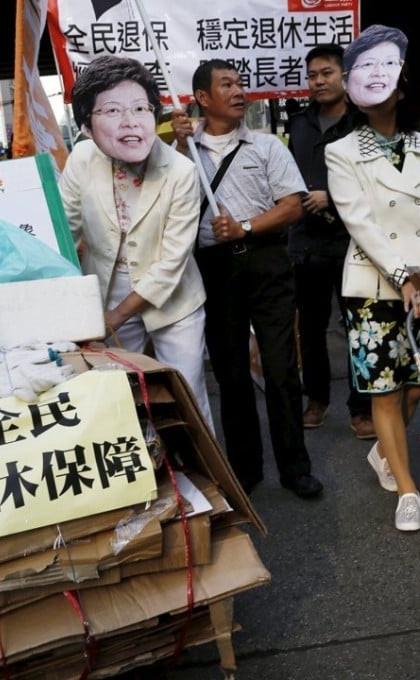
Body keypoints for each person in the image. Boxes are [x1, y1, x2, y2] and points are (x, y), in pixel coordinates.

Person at [325, 24, 420, 532]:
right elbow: (360, 223)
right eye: (364, 70)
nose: (376, 80)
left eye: (386, 70)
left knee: (418, 387)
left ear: (402, 84)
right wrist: (403, 274)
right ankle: (407, 488)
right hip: (373, 288)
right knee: (384, 390)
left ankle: (388, 452)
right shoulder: (340, 153)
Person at [172, 58, 323, 498]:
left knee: (280, 370)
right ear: (202, 99)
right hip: (214, 270)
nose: (239, 92)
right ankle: (245, 470)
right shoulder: (185, 152)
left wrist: (246, 226)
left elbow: (293, 206)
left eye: (240, 83)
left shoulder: (266, 146)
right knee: (231, 373)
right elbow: (167, 196)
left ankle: (296, 468)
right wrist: (179, 148)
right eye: (227, 85)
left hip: (267, 262)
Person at [59, 55, 214, 429]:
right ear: (86, 126)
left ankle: (209, 478)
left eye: (140, 108)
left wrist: (116, 315)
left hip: (173, 296)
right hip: (108, 286)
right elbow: (66, 232)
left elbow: (171, 263)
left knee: (184, 391)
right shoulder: (82, 157)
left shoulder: (181, 172)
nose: (130, 122)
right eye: (112, 110)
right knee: (115, 390)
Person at [287, 44, 375, 440]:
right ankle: (316, 400)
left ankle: (362, 409)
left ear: (345, 76)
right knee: (310, 328)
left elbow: (376, 184)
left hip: (351, 242)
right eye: (312, 75)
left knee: (359, 327)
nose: (318, 81)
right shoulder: (300, 123)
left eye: (326, 73)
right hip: (306, 244)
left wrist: (332, 200)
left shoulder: (364, 124)